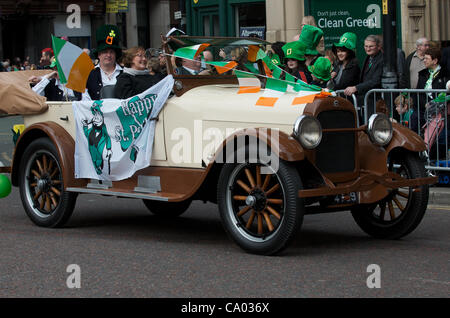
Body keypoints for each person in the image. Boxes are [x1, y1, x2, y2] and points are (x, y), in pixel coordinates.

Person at [344, 35, 383, 120]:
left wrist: (356, 88)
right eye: (366, 46)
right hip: (366, 99)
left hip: (375, 99)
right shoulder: (368, 58)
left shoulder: (381, 59)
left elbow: (375, 81)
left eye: (371, 46)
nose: (368, 49)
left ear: (378, 47)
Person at [412, 47, 448, 133]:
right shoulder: (422, 74)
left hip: (440, 110)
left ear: (435, 61)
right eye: (424, 58)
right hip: (423, 109)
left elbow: (444, 94)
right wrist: (425, 104)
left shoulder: (445, 74)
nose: (424, 60)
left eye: (427, 58)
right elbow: (418, 93)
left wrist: (433, 104)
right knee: (414, 120)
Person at [85, 25, 123, 100]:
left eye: (111, 52)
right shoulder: (89, 74)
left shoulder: (125, 73)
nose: (108, 55)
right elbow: (85, 99)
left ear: (115, 55)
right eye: (105, 52)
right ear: (99, 55)